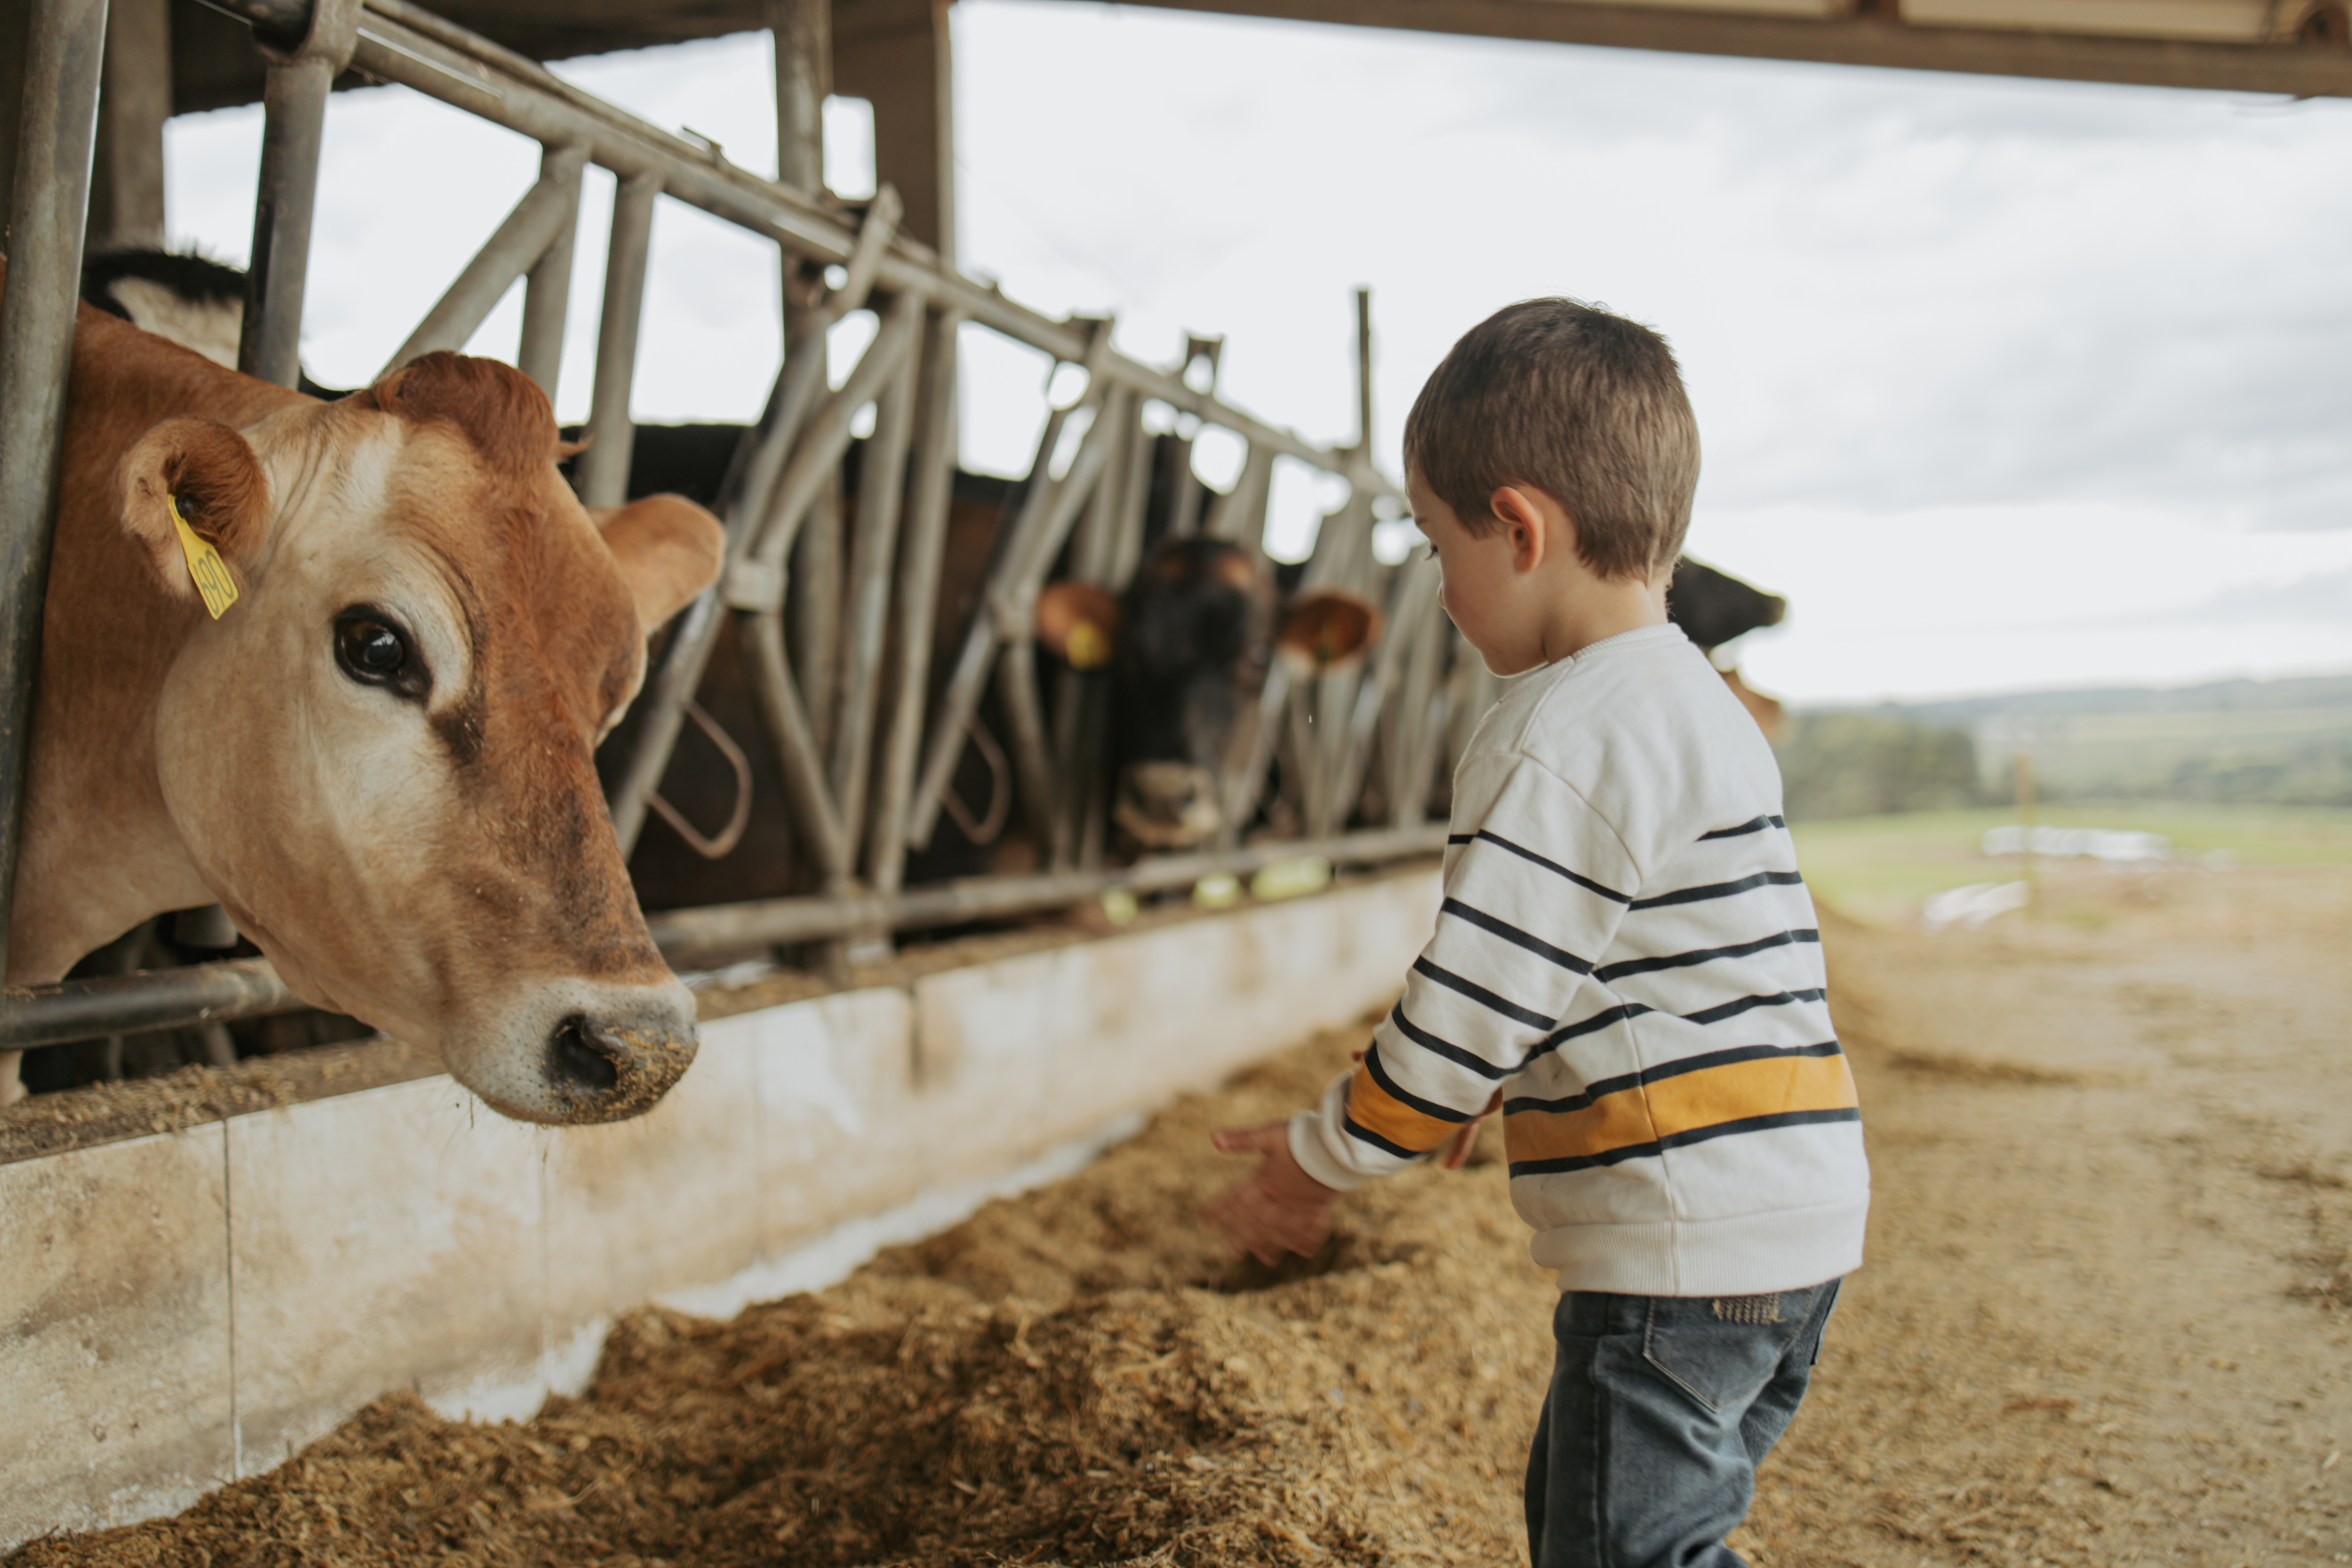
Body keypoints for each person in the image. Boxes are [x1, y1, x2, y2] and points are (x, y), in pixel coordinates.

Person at [1203, 298, 1868, 1568]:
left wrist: (1318, 1155)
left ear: (1517, 529)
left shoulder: (1557, 733)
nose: (1437, 584)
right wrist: (1494, 1087)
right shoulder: (1699, 703)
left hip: (1680, 1242)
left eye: (1431, 541)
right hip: (1786, 1217)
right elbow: (1623, 973)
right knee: (1596, 1535)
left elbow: (1469, 1006)